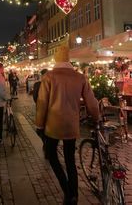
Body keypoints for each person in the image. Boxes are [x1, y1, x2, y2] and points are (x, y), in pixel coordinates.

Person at [36, 45, 99, 205]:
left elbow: (42, 103)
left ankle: (66, 190)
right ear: (68, 59)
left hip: (53, 126)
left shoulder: (49, 77)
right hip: (71, 125)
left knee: (51, 155)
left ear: (56, 58)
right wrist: (96, 117)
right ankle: (74, 195)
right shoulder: (80, 77)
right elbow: (91, 102)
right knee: (70, 160)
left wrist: (39, 125)